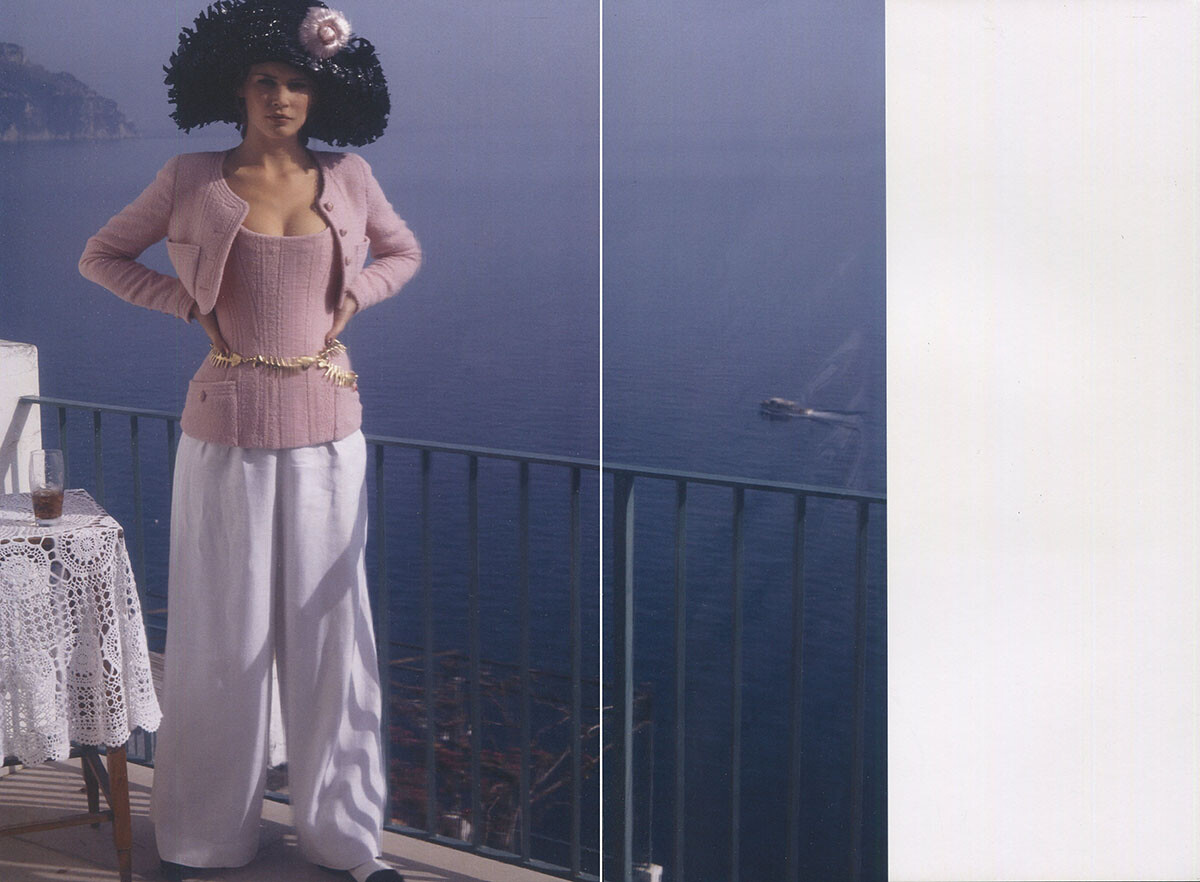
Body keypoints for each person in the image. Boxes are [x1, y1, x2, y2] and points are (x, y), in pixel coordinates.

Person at [77, 2, 420, 880]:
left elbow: (403, 253)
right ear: (236, 87)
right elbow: (102, 256)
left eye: (297, 83)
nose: (281, 97)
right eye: (266, 80)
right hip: (224, 438)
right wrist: (185, 304)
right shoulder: (190, 178)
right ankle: (204, 840)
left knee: (332, 639)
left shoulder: (349, 177)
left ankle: (345, 839)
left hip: (329, 439)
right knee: (222, 641)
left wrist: (356, 298)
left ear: (320, 94)